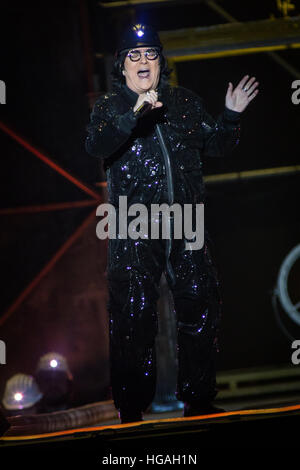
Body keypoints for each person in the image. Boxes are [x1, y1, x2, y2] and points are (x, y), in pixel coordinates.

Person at [85, 24, 259, 424]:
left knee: (200, 303)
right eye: (134, 55)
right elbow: (96, 145)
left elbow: (215, 146)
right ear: (121, 66)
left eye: (150, 54)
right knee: (132, 312)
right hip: (134, 222)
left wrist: (230, 117)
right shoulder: (110, 107)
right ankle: (130, 408)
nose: (143, 61)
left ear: (161, 62)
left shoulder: (184, 102)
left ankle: (198, 399)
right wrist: (132, 117)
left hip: (187, 220)